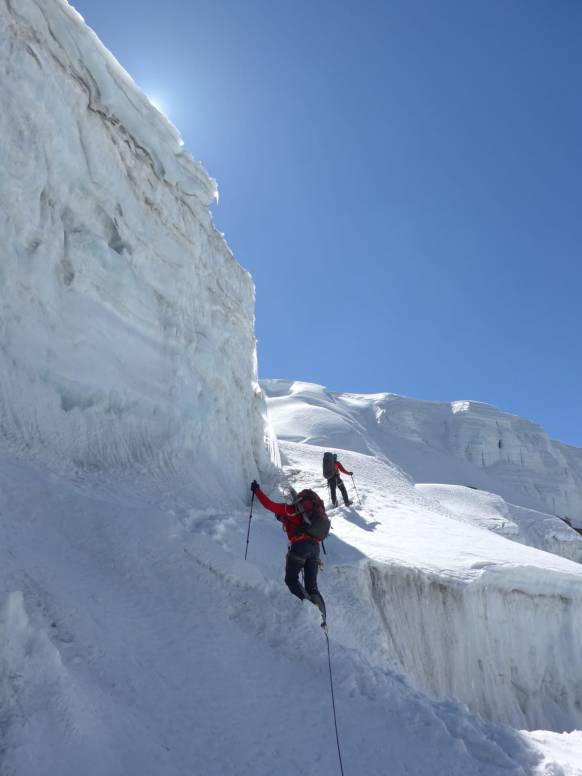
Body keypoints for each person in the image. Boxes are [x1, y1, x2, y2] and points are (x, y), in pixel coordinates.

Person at [250, 480, 326, 621]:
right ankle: (322, 620)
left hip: (300, 546)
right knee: (312, 588)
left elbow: (268, 505)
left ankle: (311, 614)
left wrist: (257, 490)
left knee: (291, 579)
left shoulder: (291, 510)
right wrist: (282, 518)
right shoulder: (311, 516)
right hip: (315, 549)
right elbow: (293, 522)